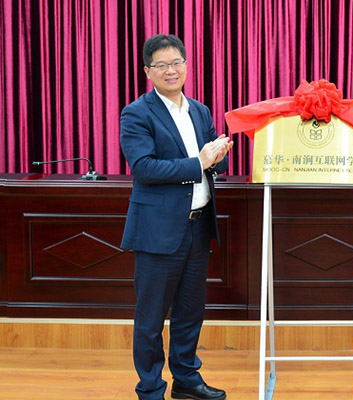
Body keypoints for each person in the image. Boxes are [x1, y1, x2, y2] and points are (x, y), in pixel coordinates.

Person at [120, 34, 233, 400]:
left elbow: (212, 163)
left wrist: (218, 156)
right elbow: (144, 167)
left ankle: (186, 379)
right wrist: (199, 161)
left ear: (186, 65)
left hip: (198, 226)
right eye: (161, 65)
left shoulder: (200, 110)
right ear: (147, 71)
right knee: (151, 317)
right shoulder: (137, 113)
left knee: (190, 311)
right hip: (158, 230)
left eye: (177, 63)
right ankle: (151, 388)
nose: (171, 70)